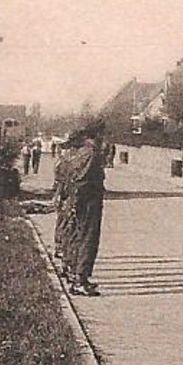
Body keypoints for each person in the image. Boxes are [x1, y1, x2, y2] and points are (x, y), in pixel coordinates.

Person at [66, 124, 108, 296]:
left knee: (79, 235)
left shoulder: (80, 152)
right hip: (88, 198)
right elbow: (84, 178)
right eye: (101, 135)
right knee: (88, 237)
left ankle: (76, 275)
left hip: (81, 197)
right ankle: (80, 279)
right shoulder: (91, 153)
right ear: (95, 135)